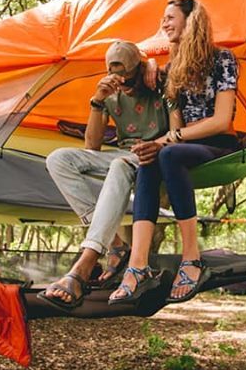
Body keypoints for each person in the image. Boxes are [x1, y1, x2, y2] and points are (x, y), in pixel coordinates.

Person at [109, 0, 239, 305]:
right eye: (163, 18)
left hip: (219, 146)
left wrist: (170, 139)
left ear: (191, 19)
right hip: (180, 147)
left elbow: (221, 121)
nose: (164, 23)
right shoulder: (172, 70)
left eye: (170, 17)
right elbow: (173, 122)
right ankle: (137, 265)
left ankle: (192, 258)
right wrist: (156, 70)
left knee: (166, 152)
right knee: (151, 158)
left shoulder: (223, 59)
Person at [39, 41, 170, 310]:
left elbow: (173, 70)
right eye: (116, 75)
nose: (122, 82)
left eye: (127, 76)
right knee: (59, 160)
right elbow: (92, 147)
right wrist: (97, 102)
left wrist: (155, 66)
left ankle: (85, 264)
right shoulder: (110, 93)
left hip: (156, 152)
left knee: (120, 165)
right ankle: (114, 244)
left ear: (139, 67)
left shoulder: (157, 79)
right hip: (122, 153)